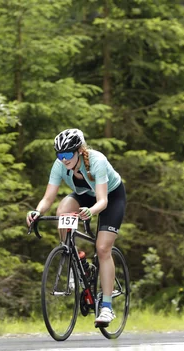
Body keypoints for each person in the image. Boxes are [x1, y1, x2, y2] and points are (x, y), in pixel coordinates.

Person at [26, 128, 126, 327]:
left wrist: (91, 211)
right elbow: (48, 198)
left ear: (80, 150)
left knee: (103, 249)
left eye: (67, 154)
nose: (63, 160)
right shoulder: (59, 165)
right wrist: (37, 211)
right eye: (59, 155)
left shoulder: (97, 161)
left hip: (110, 197)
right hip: (84, 194)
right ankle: (72, 256)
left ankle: (106, 307)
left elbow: (103, 201)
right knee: (63, 210)